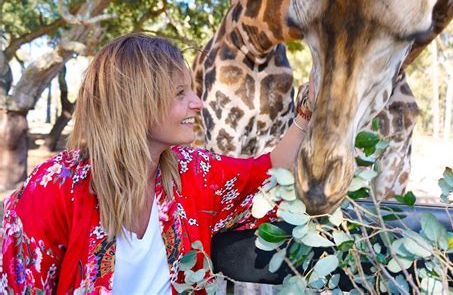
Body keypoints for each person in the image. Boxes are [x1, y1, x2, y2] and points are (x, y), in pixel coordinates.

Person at [1, 33, 314, 294]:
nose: (198, 102)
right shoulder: (56, 186)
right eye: (180, 93)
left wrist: (306, 113)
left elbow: (269, 175)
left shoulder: (191, 171)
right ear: (135, 102)